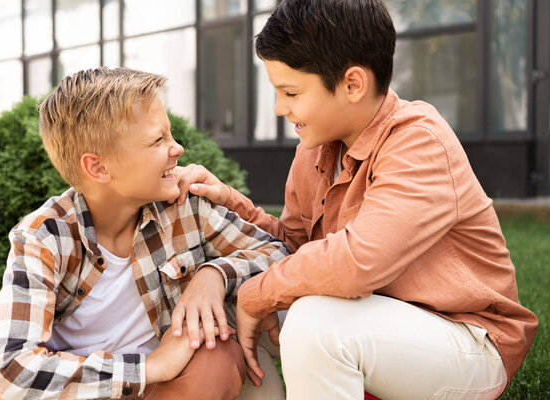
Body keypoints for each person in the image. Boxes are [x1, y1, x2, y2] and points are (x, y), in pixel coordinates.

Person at [173, 0, 539, 399]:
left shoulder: (419, 141)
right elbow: (293, 250)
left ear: (352, 84)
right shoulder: (314, 149)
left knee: (314, 321)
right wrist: (228, 200)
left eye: (290, 92)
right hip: (369, 322)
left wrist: (257, 293)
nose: (280, 109)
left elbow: (357, 263)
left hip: (467, 341)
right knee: (216, 317)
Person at [0, 67, 290, 400]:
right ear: (98, 167)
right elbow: (12, 372)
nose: (178, 149)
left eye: (169, 134)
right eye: (158, 140)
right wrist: (148, 367)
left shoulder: (186, 206)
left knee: (216, 357)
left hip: (162, 392)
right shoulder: (45, 237)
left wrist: (215, 275)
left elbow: (277, 253)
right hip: (81, 386)